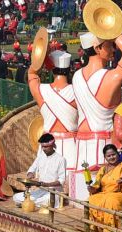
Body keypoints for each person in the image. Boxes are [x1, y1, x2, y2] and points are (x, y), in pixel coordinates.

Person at [73, 31, 122, 202]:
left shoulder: (76, 76)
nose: (114, 49)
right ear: (97, 48)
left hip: (81, 144)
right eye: (110, 45)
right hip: (105, 144)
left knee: (80, 196)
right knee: (105, 197)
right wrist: (111, 29)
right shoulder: (111, 77)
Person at [28, 50, 79, 198]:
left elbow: (32, 73)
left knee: (44, 187)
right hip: (71, 144)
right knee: (68, 188)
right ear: (69, 69)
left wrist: (42, 59)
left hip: (47, 143)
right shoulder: (76, 91)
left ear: (52, 69)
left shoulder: (41, 90)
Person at [87, 144, 122, 232]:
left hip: (121, 195)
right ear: (105, 157)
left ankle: (110, 228)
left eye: (113, 154)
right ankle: (97, 225)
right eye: (108, 156)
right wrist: (92, 188)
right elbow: (97, 184)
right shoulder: (103, 170)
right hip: (105, 194)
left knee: (111, 200)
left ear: (118, 154)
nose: (111, 157)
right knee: (92, 199)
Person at [13, 133, 67, 208]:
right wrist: (30, 174)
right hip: (41, 190)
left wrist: (47, 184)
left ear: (52, 145)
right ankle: (30, 204)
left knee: (47, 200)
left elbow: (62, 180)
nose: (44, 149)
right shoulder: (40, 157)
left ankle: (29, 204)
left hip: (53, 192)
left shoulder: (61, 159)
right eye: (42, 147)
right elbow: (31, 169)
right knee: (16, 197)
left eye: (46, 147)